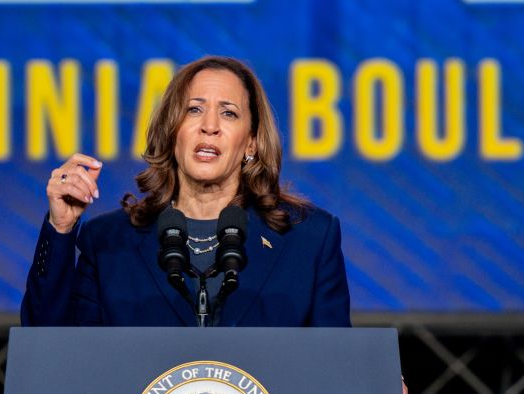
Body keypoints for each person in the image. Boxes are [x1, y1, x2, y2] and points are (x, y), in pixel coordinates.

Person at [20, 55, 351, 327]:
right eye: (194, 109)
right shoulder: (108, 242)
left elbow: (336, 367)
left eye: (229, 113)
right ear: (171, 130)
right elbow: (50, 355)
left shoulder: (308, 240)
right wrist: (60, 229)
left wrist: (374, 383)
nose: (210, 125)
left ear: (251, 142)